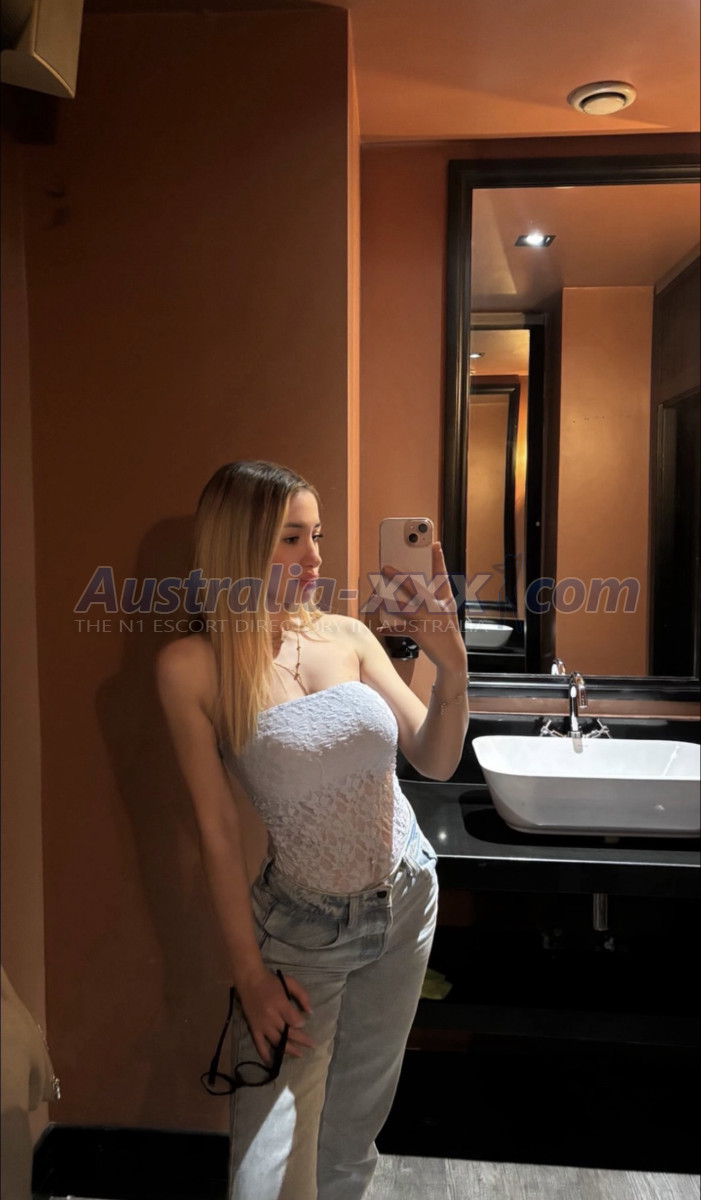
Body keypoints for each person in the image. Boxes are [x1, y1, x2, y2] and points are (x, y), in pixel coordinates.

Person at [156, 460, 469, 1200]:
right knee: (269, 1163)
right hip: (304, 932)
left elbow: (434, 757)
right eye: (291, 538)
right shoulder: (191, 667)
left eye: (317, 536)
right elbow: (217, 832)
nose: (315, 558)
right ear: (239, 543)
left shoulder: (347, 634)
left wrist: (451, 665)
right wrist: (248, 975)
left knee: (352, 1132)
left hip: (407, 897)